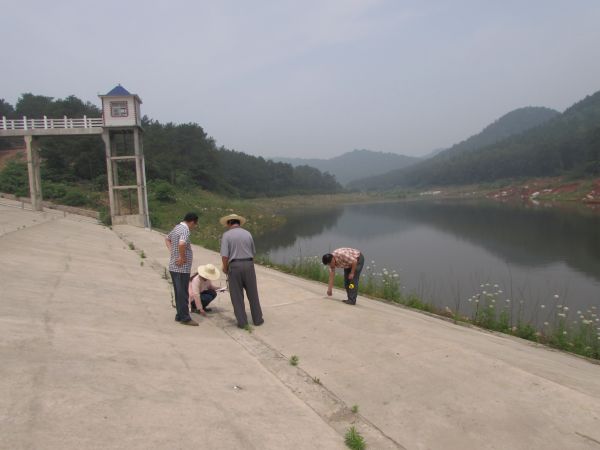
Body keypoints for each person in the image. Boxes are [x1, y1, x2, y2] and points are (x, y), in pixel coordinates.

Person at [220, 213, 264, 328]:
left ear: (230, 223)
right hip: (249, 264)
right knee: (253, 294)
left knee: (237, 296)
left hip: (234, 266)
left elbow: (225, 256)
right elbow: (253, 252)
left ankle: (242, 322)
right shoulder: (247, 233)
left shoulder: (226, 235)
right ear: (238, 222)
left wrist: (225, 268)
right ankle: (258, 319)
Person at [165, 212, 199, 326]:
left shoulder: (176, 228)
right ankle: (185, 318)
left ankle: (179, 315)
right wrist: (182, 257)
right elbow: (182, 244)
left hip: (175, 267)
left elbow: (167, 239)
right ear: (192, 222)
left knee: (179, 292)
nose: (194, 227)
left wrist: (173, 253)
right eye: (195, 224)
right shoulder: (185, 230)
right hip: (181, 268)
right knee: (183, 293)